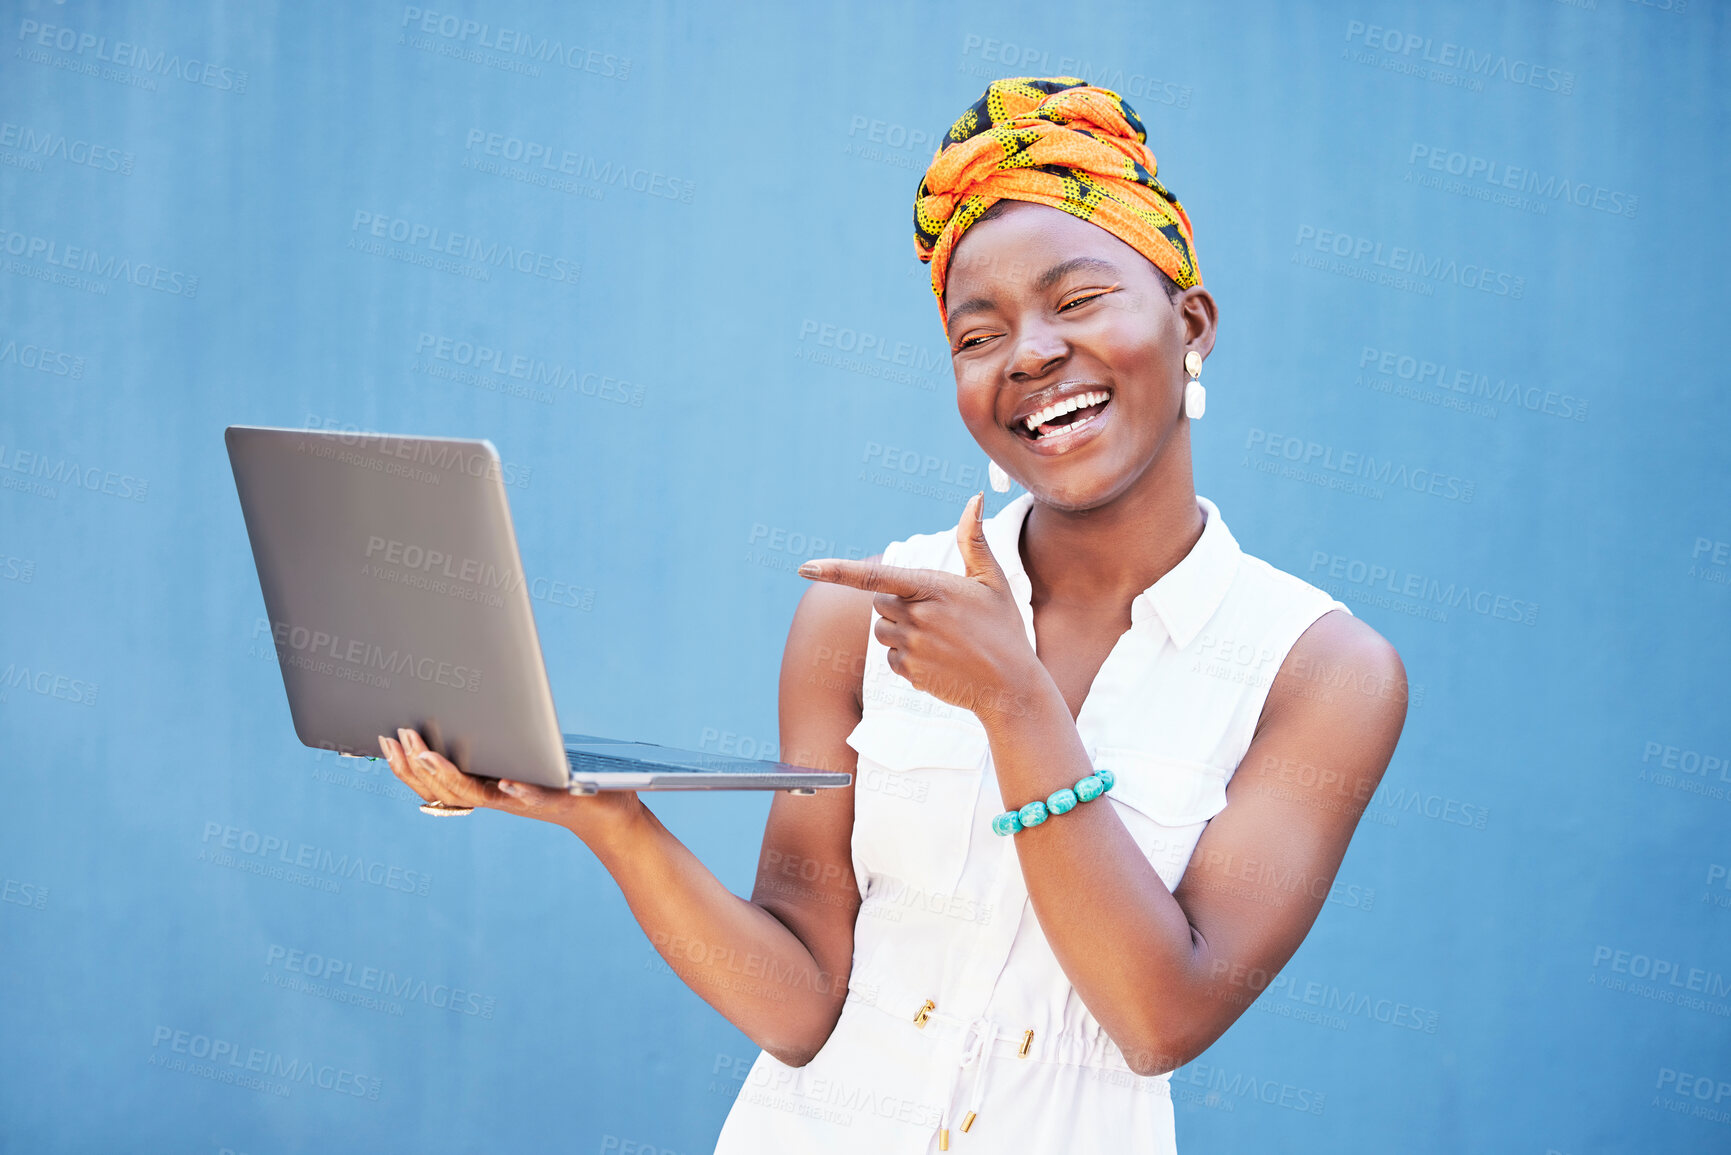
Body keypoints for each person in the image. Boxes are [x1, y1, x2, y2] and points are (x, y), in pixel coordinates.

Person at [378, 76, 1408, 1154]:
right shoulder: (860, 615)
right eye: (977, 335)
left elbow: (1160, 1017)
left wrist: (1015, 700)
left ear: (1191, 324)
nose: (1029, 354)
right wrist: (611, 823)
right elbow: (803, 1001)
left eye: (1078, 299)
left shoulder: (1322, 671)